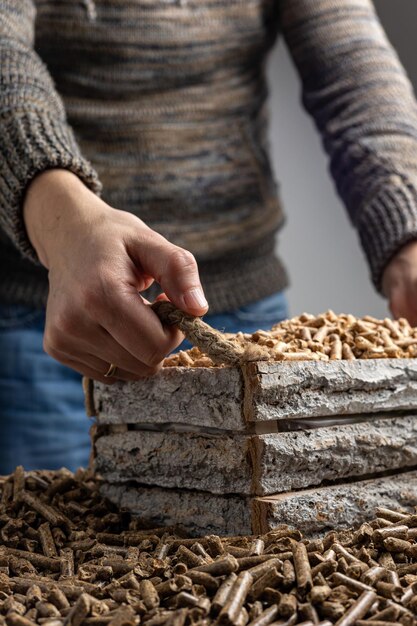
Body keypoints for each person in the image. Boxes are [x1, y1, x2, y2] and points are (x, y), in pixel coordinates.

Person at [1, 0, 417, 473]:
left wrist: (409, 232)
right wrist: (62, 225)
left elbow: (352, 61)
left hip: (246, 315)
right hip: (51, 321)